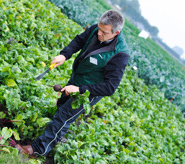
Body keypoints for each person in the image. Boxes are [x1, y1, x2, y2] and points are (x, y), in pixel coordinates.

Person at [15, 9, 129, 156]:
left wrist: (80, 90)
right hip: (77, 78)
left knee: (63, 115)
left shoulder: (120, 54)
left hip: (90, 91)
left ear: (116, 33)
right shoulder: (96, 29)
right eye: (99, 29)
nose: (99, 33)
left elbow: (110, 87)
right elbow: (79, 41)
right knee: (62, 106)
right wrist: (64, 55)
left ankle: (38, 149)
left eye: (104, 32)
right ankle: (55, 138)